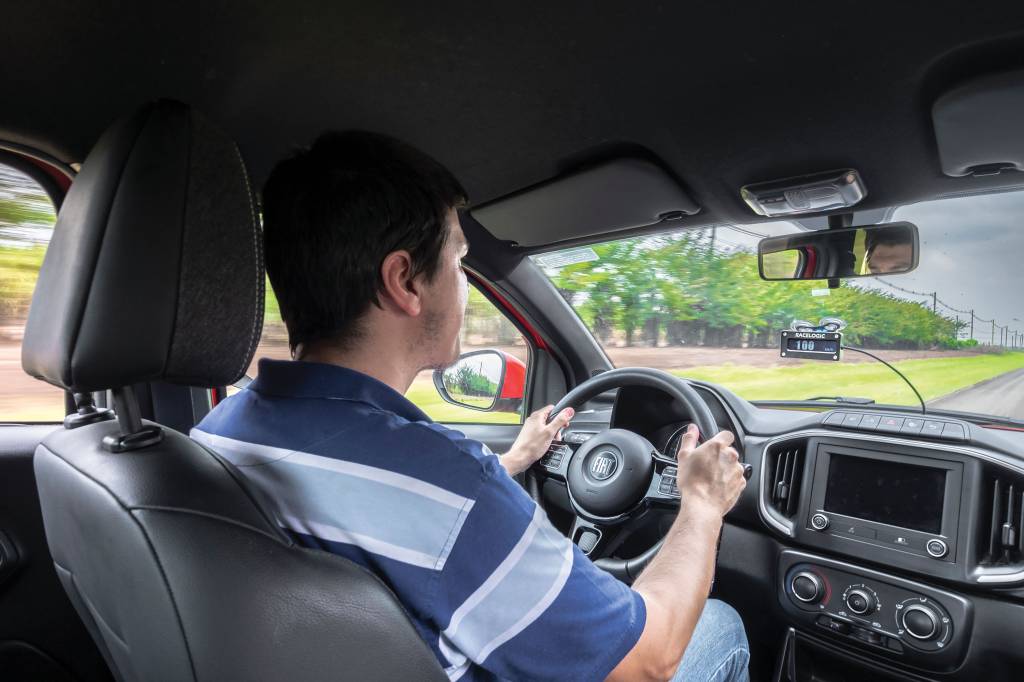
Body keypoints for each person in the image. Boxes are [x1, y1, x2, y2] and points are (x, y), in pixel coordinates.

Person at [191, 131, 749, 682]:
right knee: (718, 626)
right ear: (404, 281)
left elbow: (382, 509)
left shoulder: (216, 433)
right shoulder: (451, 487)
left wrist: (511, 463)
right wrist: (702, 505)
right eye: (460, 261)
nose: (463, 283)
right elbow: (648, 662)